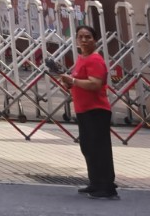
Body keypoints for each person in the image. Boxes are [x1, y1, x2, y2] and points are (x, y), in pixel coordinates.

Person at [57, 24, 118, 199]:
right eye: (80, 37)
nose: (84, 40)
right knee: (88, 148)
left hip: (96, 110)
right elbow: (78, 82)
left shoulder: (95, 60)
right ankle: (95, 182)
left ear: (95, 40)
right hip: (83, 109)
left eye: (88, 37)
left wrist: (73, 81)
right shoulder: (81, 58)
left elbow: (95, 84)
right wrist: (69, 83)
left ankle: (106, 186)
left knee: (99, 149)